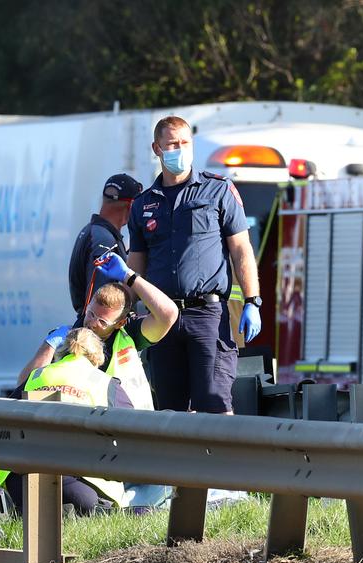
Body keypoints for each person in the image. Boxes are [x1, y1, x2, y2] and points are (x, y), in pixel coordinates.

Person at [126, 115, 261, 415]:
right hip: (162, 318)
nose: (179, 150)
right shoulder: (143, 204)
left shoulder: (217, 190)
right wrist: (122, 307)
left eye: (185, 143)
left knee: (213, 405)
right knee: (169, 413)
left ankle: (220, 463)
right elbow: (137, 264)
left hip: (207, 315)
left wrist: (252, 300)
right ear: (157, 148)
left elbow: (240, 248)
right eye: (172, 144)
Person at [18, 252, 178, 411]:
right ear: (87, 306)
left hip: (129, 422)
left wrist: (130, 277)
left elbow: (168, 314)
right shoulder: (70, 334)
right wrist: (49, 345)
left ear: (119, 323)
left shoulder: (129, 333)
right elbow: (25, 387)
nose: (93, 323)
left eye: (102, 321)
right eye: (91, 314)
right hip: (81, 423)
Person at [4, 328, 134, 514]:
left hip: (23, 483)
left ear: (62, 350)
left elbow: (4, 414)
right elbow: (133, 427)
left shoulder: (36, 376)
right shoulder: (104, 382)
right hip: (82, 485)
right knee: (99, 512)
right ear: (97, 356)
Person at [67, 173, 143, 317]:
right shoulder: (105, 241)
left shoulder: (92, 231)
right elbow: (101, 302)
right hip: (101, 330)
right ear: (132, 205)